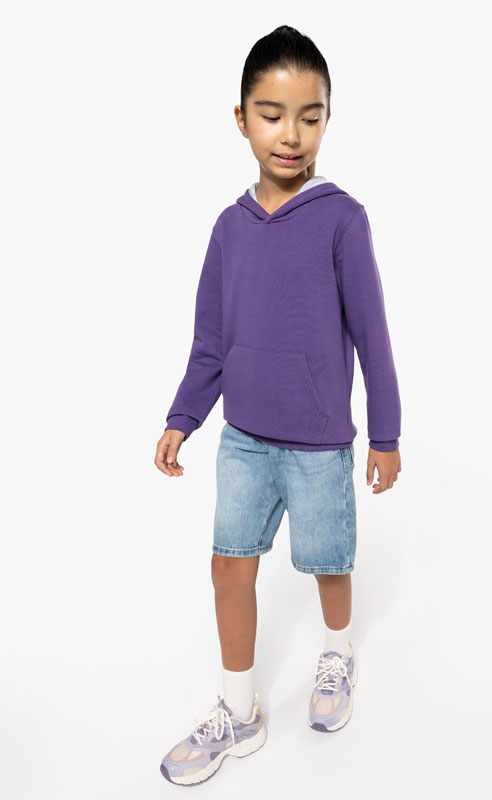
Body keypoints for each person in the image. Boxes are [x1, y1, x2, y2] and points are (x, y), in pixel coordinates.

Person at [155, 25, 402, 785]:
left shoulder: (342, 219)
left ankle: (337, 653)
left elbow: (372, 334)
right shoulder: (229, 228)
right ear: (241, 119)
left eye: (309, 116)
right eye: (271, 115)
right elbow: (211, 339)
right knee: (228, 567)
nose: (290, 134)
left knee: (328, 563)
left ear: (327, 119)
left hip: (319, 443)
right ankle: (239, 710)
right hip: (244, 442)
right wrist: (183, 417)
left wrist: (385, 435)